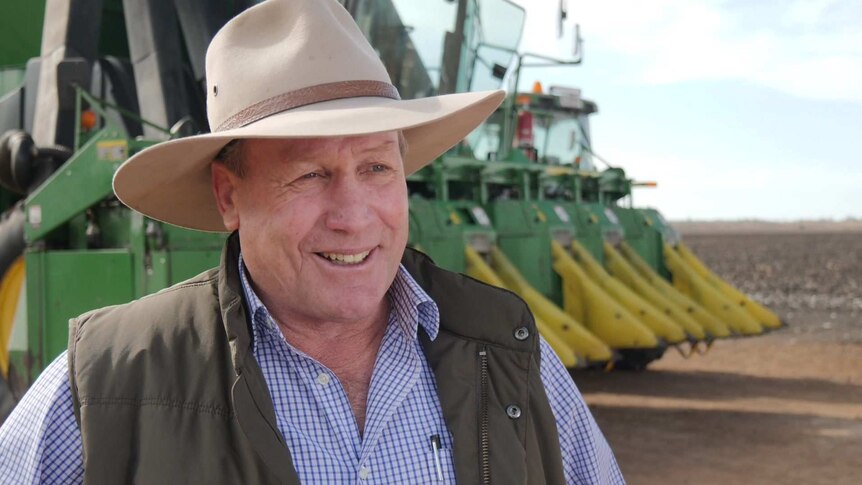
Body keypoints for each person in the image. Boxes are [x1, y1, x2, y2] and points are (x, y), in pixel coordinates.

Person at [0, 0, 625, 483]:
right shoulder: (103, 388)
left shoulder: (514, 359)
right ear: (228, 196)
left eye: (377, 168)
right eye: (310, 175)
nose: (353, 217)